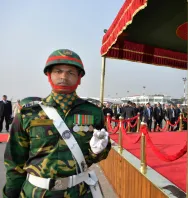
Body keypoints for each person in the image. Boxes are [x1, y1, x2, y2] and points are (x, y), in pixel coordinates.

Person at [3, 49, 111, 198]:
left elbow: (99, 154)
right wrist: (11, 194)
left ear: (79, 78)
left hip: (78, 192)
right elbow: (14, 160)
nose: (63, 76)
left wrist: (98, 152)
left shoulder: (93, 112)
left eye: (71, 72)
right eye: (58, 71)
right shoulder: (29, 112)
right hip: (36, 193)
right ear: (49, 76)